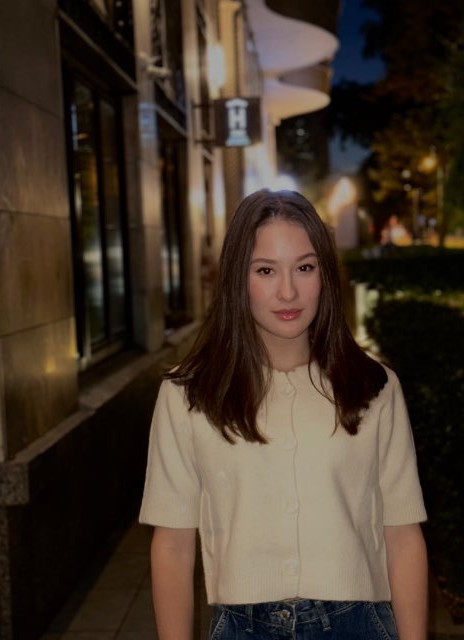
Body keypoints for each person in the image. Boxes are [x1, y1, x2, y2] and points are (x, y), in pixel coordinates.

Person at [139, 189, 428, 640]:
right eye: (266, 270)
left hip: (358, 625)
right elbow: (173, 546)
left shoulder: (373, 387)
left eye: (305, 268)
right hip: (242, 628)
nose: (288, 291)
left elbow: (403, 535)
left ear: (325, 275)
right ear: (238, 278)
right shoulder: (189, 394)